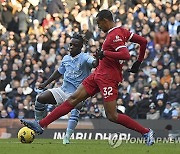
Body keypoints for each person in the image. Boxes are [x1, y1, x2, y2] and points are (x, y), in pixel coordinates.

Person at [21, 10, 155, 146]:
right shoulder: (122, 32)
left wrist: (105, 53)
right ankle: (41, 124)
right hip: (97, 75)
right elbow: (143, 42)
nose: (98, 27)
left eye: (98, 23)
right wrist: (138, 62)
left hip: (108, 78)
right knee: (73, 99)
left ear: (105, 20)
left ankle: (145, 131)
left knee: (112, 116)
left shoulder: (115, 35)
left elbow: (125, 54)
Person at [33, 34, 97, 144]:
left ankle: (67, 137)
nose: (71, 47)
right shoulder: (66, 58)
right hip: (63, 91)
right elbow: (59, 72)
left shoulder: (85, 57)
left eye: (74, 45)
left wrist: (99, 58)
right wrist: (45, 83)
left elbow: (94, 63)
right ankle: (39, 124)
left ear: (80, 47)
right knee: (40, 98)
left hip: (77, 94)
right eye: (70, 44)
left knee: (77, 106)